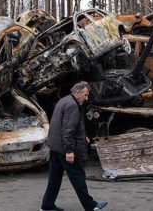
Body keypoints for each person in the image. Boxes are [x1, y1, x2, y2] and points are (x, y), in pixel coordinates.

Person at [40, 81, 108, 211]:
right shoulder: (72, 106)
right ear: (77, 92)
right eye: (85, 95)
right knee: (78, 177)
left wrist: (83, 136)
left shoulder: (64, 100)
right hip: (65, 148)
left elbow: (68, 124)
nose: (86, 98)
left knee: (54, 178)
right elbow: (68, 130)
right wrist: (69, 150)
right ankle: (91, 206)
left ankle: (47, 206)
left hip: (55, 147)